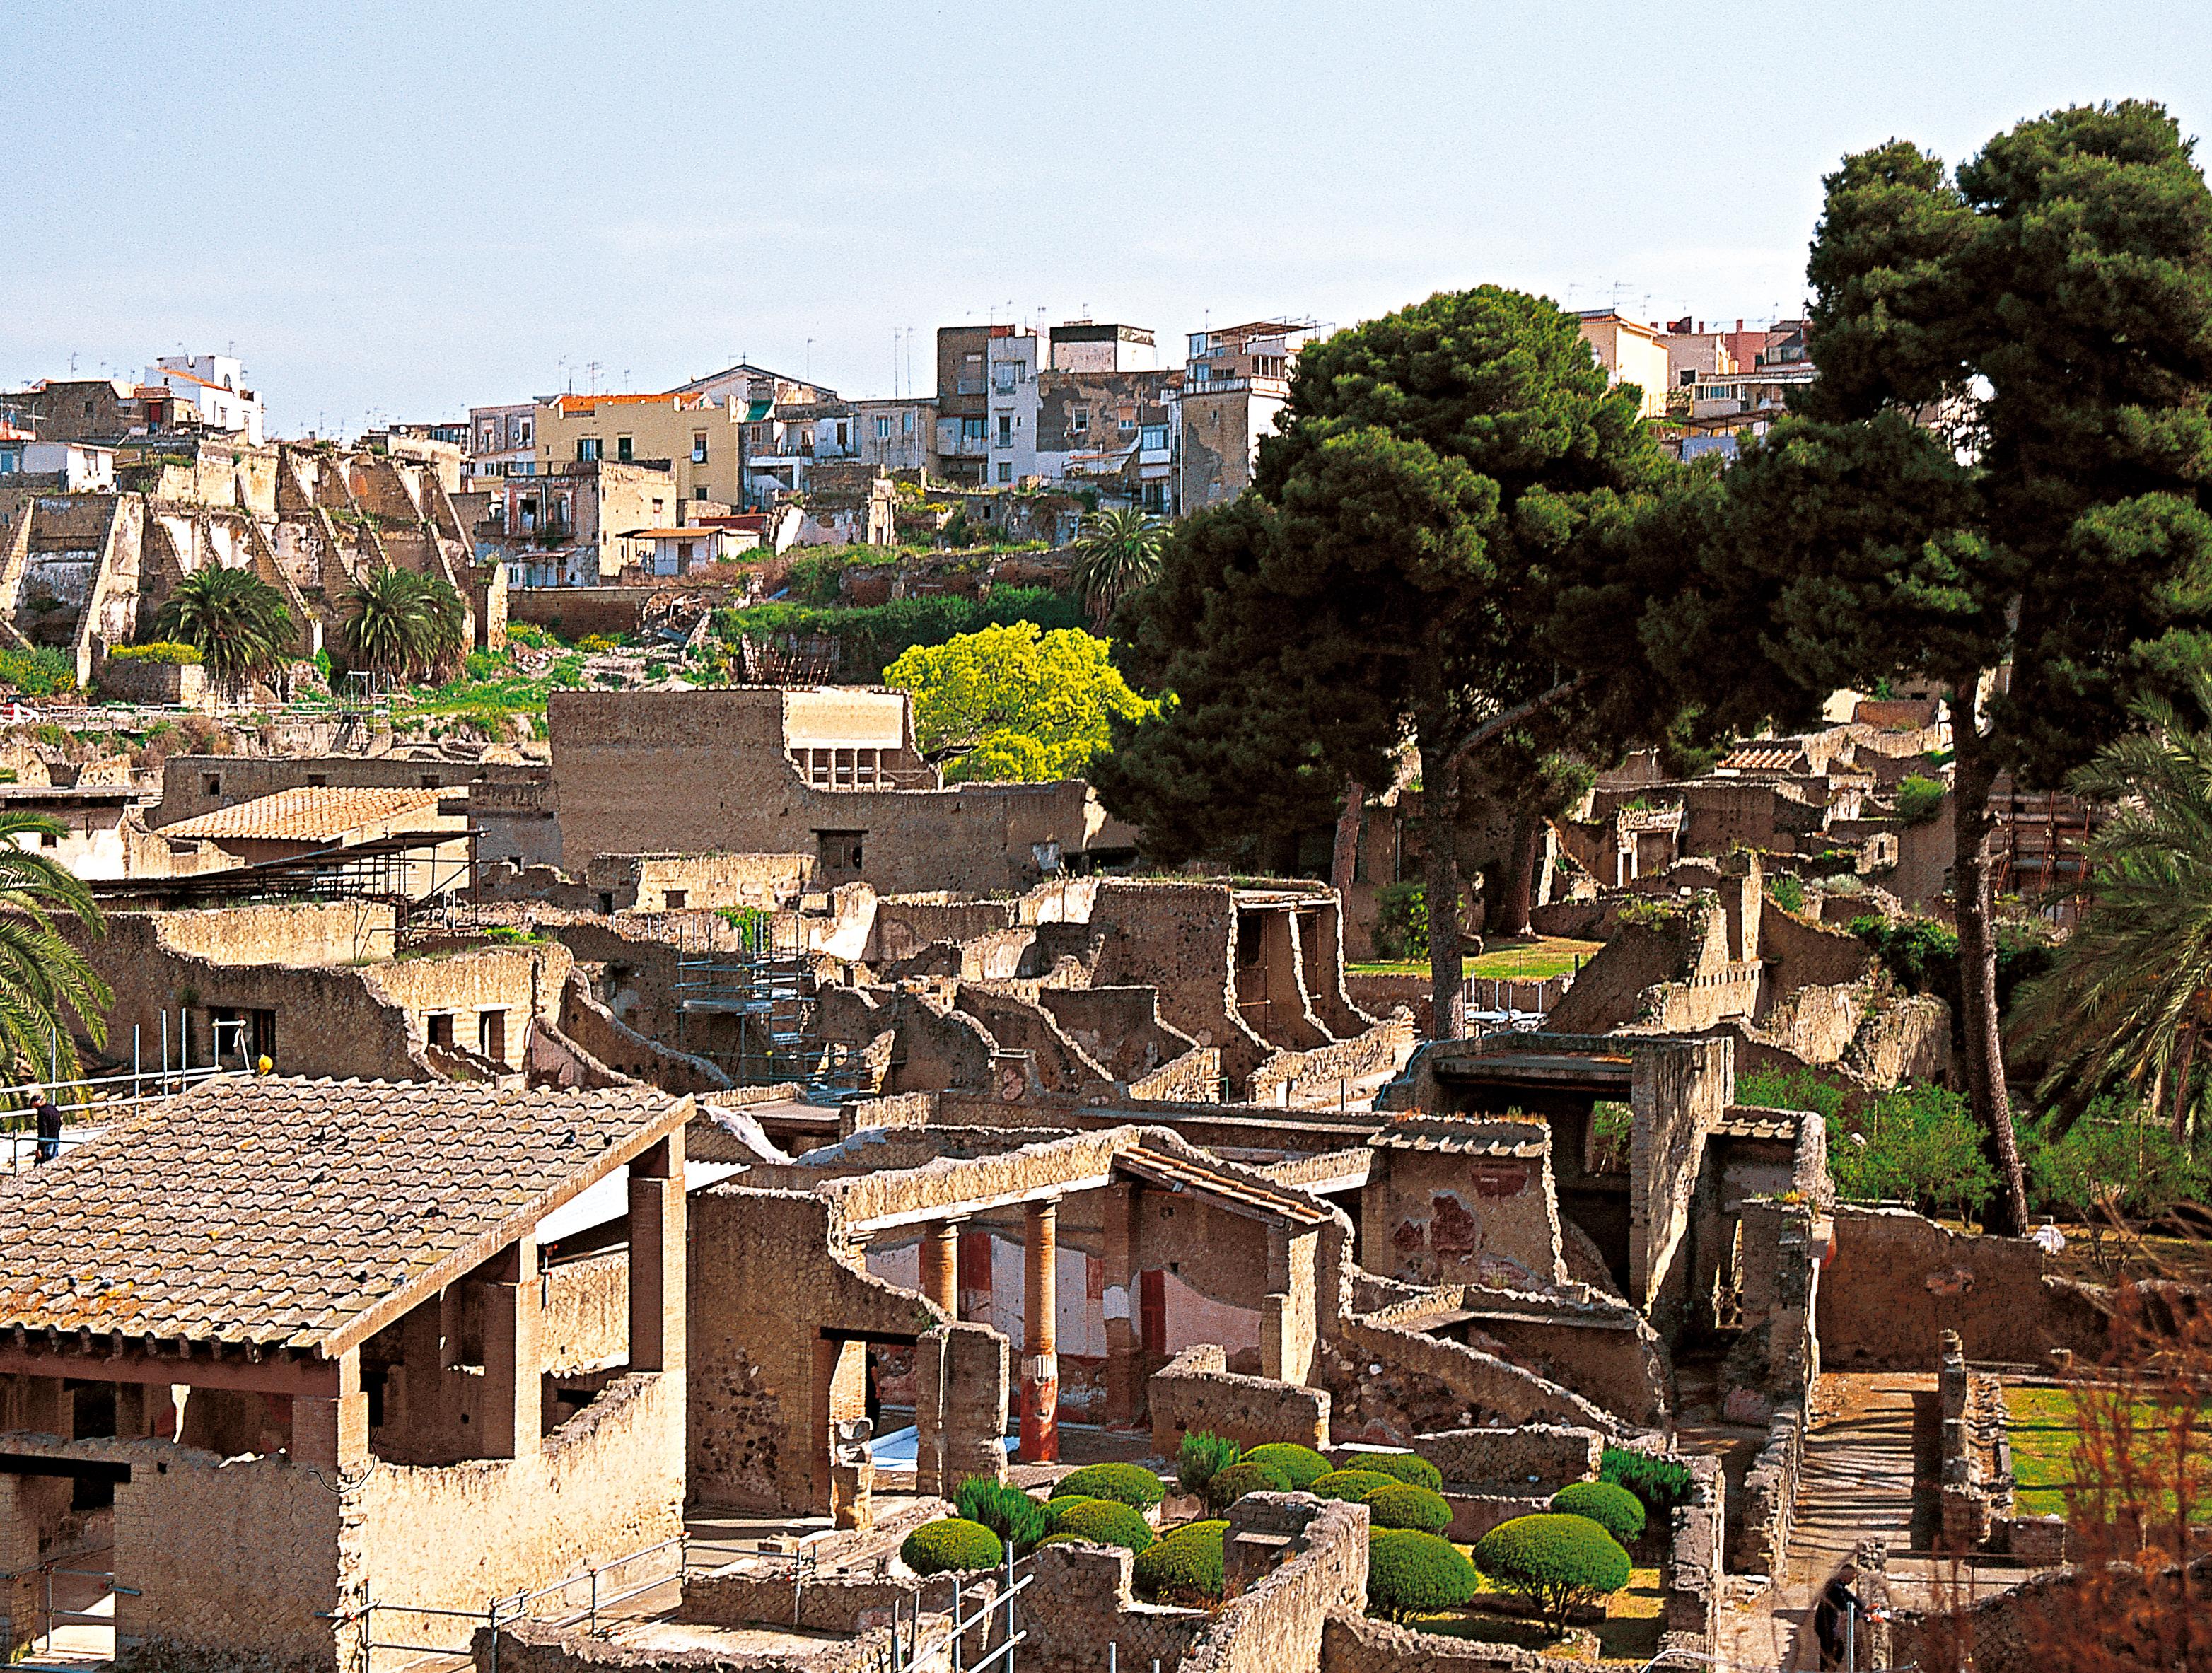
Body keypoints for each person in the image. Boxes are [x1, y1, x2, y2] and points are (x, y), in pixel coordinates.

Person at [1812, 1573, 1860, 1669]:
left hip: (1825, 1624)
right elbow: (1844, 1605)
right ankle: (1828, 1670)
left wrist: (1862, 1607)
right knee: (1836, 1649)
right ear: (1846, 1576)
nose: (1851, 1582)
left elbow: (1850, 1596)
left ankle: (1827, 1669)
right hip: (1826, 1624)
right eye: (1851, 1579)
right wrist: (1861, 1615)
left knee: (1828, 1650)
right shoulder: (1836, 1588)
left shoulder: (1836, 1585)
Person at [30, 1085, 62, 1165]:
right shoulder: (53, 1109)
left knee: (46, 1163)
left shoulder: (42, 1113)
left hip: (47, 1141)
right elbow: (59, 1123)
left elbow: (43, 1130)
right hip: (55, 1138)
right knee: (54, 1161)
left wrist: (40, 1147)